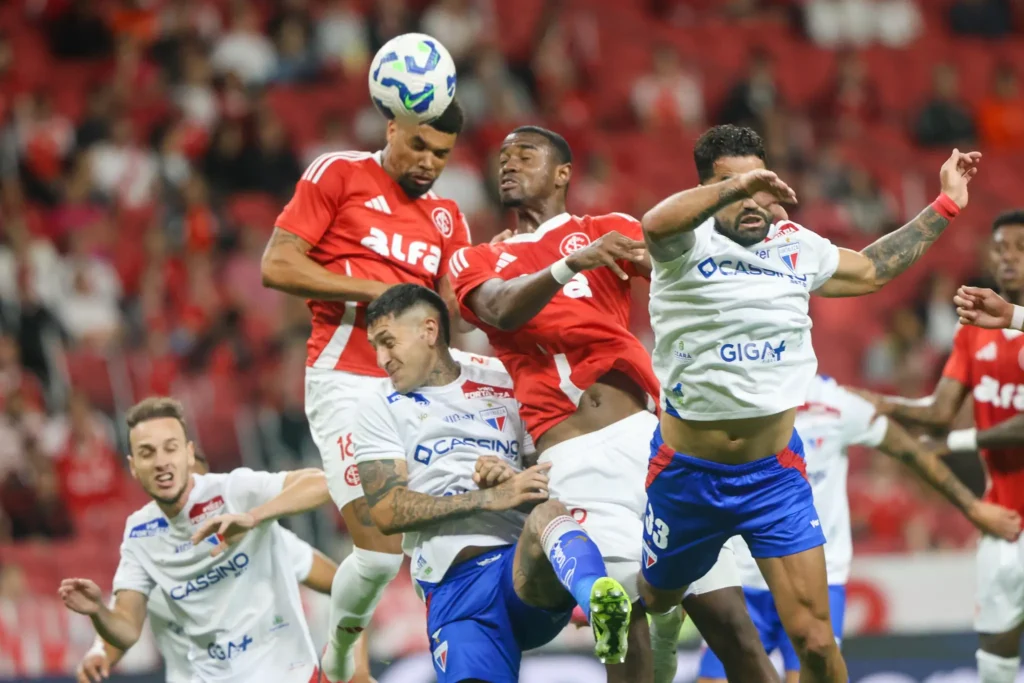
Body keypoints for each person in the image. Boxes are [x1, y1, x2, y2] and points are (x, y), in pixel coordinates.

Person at [637, 123, 980, 683]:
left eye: (760, 185)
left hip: (772, 478)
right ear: (708, 192)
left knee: (817, 642)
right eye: (734, 188)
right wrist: (736, 188)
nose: (752, 200)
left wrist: (945, 204)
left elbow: (871, 269)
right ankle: (663, 620)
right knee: (655, 596)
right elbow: (654, 222)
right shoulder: (683, 246)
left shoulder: (795, 244)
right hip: (687, 474)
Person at [447, 125, 777, 683]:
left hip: (650, 443)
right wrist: (572, 264)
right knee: (624, 628)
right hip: (574, 459)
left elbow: (693, 268)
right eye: (503, 157)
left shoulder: (608, 229)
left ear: (563, 173)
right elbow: (499, 310)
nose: (508, 164)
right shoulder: (477, 258)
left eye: (525, 154)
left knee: (732, 627)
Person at [260, 100, 475, 682]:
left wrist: (494, 270)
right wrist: (376, 290)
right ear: (392, 128)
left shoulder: (448, 218)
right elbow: (277, 265)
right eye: (418, 146)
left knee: (437, 541)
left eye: (441, 154)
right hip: (347, 378)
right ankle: (341, 658)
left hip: (418, 390)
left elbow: (456, 312)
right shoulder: (339, 173)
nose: (428, 162)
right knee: (380, 553)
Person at [353, 284, 634, 680]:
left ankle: (597, 601)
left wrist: (514, 481)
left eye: (388, 342)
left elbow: (547, 478)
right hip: (454, 588)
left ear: (429, 331)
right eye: (375, 347)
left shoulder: (502, 378)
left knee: (550, 513)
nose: (382, 359)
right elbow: (386, 511)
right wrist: (489, 497)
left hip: (521, 569)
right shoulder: (375, 404)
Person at [697, 375, 1021, 683]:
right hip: (743, 578)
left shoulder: (837, 403)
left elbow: (909, 450)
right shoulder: (735, 403)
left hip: (817, 581)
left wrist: (972, 507)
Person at [57, 397, 330, 683]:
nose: (161, 462)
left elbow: (323, 483)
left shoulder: (234, 492)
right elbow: (127, 628)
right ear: (134, 466)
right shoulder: (140, 534)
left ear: (188, 455)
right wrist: (98, 612)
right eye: (147, 453)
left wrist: (254, 516)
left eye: (170, 448)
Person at [865, 209, 1024, 683]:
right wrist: (881, 403)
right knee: (995, 653)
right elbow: (938, 410)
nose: (1008, 257)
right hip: (1003, 517)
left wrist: (956, 440)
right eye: (1000, 248)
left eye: (1020, 248)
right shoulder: (973, 331)